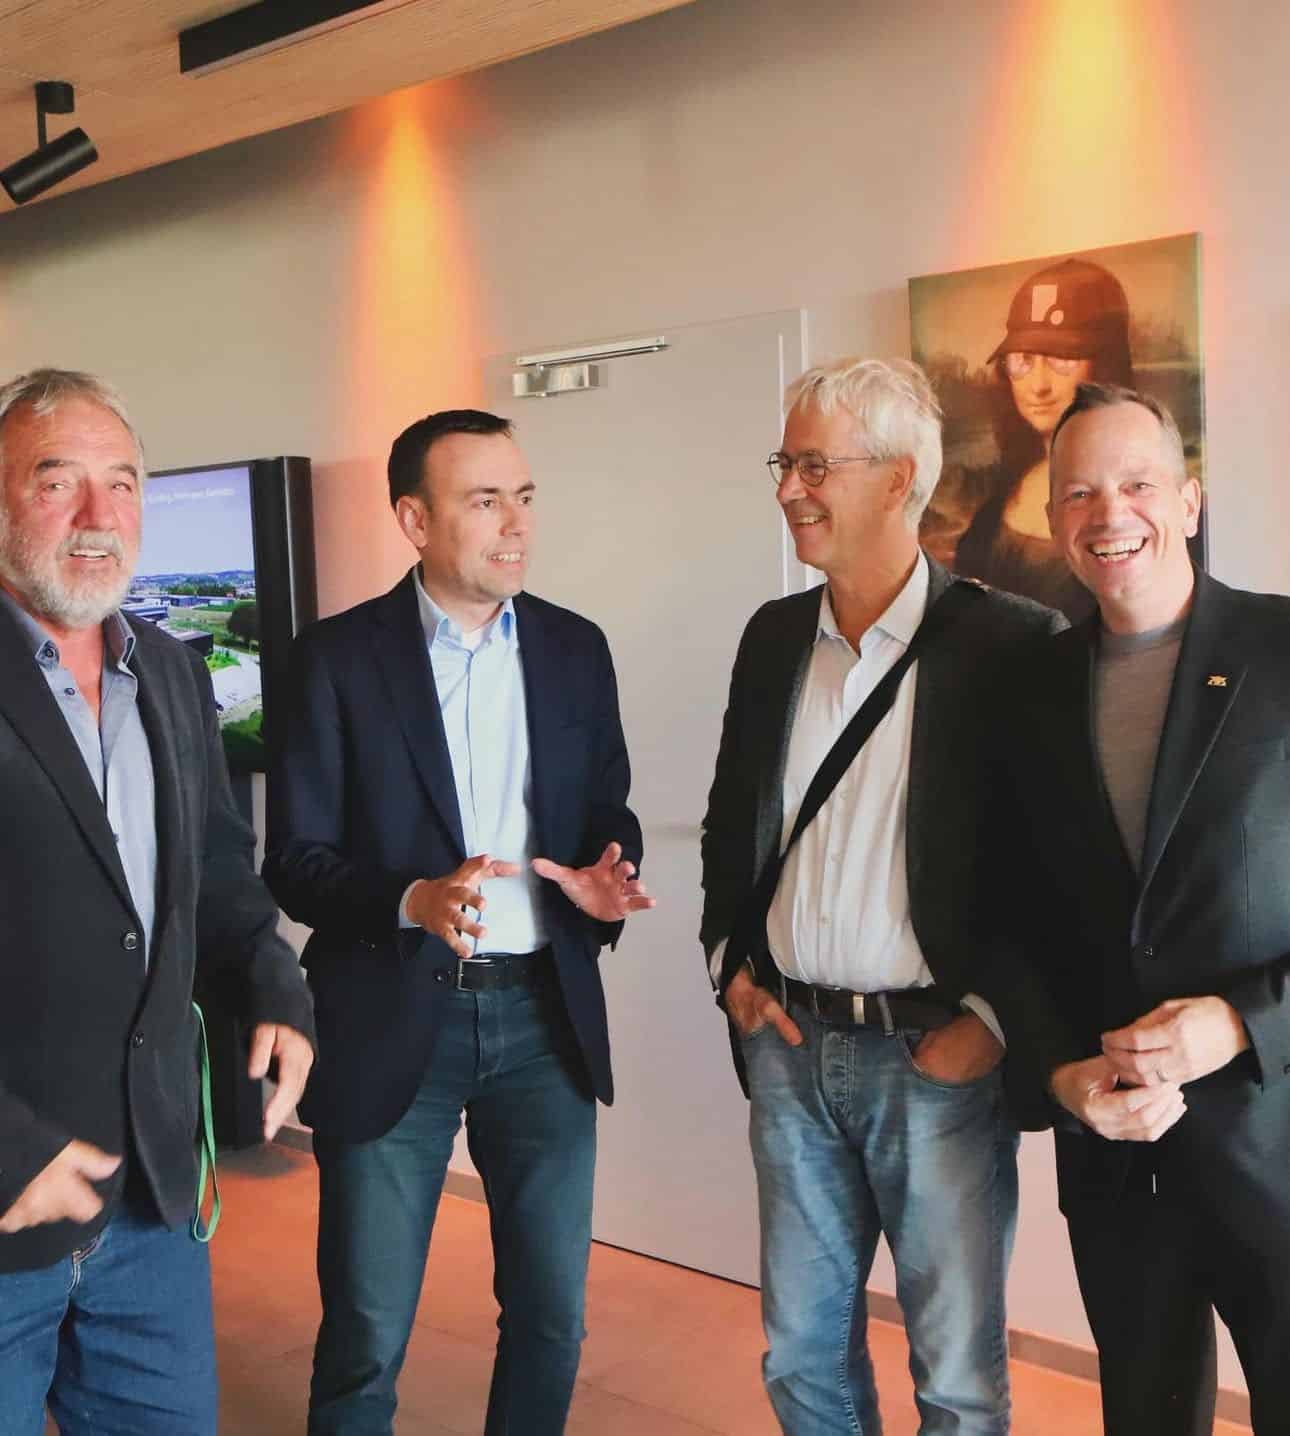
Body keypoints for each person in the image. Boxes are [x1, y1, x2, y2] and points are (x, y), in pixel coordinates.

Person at [264, 408, 653, 1436]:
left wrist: (607, 874)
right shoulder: (337, 659)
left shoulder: (575, 648)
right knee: (367, 1327)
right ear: (415, 520)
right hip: (393, 1012)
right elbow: (294, 861)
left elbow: (606, 809)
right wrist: (411, 899)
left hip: (543, 1017)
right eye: (485, 501)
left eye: (524, 497)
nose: (516, 524)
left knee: (551, 1317)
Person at [700, 357, 1062, 1434]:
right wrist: (730, 966)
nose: (789, 488)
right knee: (802, 1355)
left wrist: (992, 1020)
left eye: (816, 465)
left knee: (955, 1378)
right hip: (789, 1046)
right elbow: (731, 826)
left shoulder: (1011, 643)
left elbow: (1055, 870)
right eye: (784, 462)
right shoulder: (773, 638)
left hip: (933, 1061)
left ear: (900, 478)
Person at [0, 368, 315, 1436]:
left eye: (125, 483)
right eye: (59, 481)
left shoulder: (174, 672)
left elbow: (219, 877)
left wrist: (276, 986)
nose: (99, 515)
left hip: (151, 1201)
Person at [981, 382, 1290, 1434]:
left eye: (1138, 483)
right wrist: (1059, 1073)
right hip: (1118, 1157)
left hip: (1274, 1133)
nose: (1109, 512)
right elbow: (1008, 919)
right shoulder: (1025, 689)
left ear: (1190, 500)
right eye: (1078, 492)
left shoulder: (1283, 651)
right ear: (1053, 518)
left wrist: (1241, 1022)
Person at [951, 256, 1134, 622]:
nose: (1038, 386)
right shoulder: (998, 503)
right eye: (1022, 360)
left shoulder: (1135, 506)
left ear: (1104, 362)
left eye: (1061, 360)